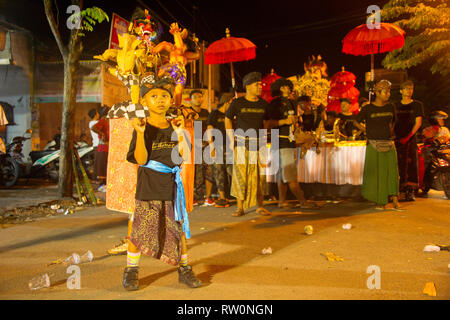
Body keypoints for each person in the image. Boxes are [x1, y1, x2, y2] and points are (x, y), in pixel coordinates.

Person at [123, 77, 201, 291]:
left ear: (170, 101)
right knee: (140, 230)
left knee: (178, 230)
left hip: (171, 186)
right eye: (154, 96)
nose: (160, 100)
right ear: (145, 101)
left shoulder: (176, 125)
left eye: (164, 96)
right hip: (148, 185)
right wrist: (140, 134)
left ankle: (184, 270)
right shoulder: (142, 126)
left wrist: (180, 134)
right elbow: (140, 160)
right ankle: (131, 271)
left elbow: (182, 157)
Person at [225, 71, 271, 217]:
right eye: (257, 85)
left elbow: (267, 122)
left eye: (260, 84)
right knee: (240, 176)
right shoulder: (237, 103)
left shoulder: (264, 104)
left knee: (260, 176)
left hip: (259, 145)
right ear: (248, 86)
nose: (260, 87)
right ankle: (240, 208)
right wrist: (231, 139)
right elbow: (227, 119)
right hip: (241, 144)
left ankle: (260, 206)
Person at [264, 77, 313, 209]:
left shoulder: (292, 103)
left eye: (288, 86)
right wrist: (285, 122)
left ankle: (282, 201)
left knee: (282, 173)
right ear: (279, 89)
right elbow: (267, 123)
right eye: (284, 86)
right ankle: (303, 201)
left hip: (287, 139)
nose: (287, 89)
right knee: (290, 174)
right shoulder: (274, 104)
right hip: (280, 139)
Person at [354, 80, 402, 210]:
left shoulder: (391, 106)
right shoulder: (367, 108)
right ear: (377, 93)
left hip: (388, 143)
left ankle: (395, 200)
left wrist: (390, 134)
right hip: (374, 144)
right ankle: (380, 201)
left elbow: (393, 122)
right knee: (377, 173)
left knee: (392, 172)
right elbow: (356, 122)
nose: (388, 94)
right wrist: (367, 131)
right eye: (385, 91)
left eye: (389, 91)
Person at [394, 80, 425, 201]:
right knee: (398, 164)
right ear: (401, 91)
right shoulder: (395, 105)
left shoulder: (417, 104)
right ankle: (398, 189)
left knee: (411, 164)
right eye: (406, 89)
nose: (409, 91)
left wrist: (408, 136)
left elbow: (418, 123)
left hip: (410, 139)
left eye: (411, 89)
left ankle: (410, 190)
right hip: (397, 138)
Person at [206, 92, 234, 207]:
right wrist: (211, 146)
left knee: (231, 171)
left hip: (229, 147)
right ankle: (222, 197)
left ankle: (233, 195)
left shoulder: (231, 115)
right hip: (217, 146)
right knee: (219, 172)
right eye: (231, 102)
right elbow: (209, 130)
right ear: (227, 102)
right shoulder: (214, 114)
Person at [188, 90, 215, 206]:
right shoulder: (188, 112)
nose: (199, 99)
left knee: (209, 171)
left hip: (206, 145)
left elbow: (210, 129)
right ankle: (196, 197)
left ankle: (208, 197)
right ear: (191, 99)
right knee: (196, 173)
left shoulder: (206, 112)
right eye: (196, 97)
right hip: (193, 146)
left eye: (200, 97)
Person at [91, 106, 110, 191]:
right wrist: (102, 133)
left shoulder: (106, 121)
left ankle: (104, 185)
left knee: (104, 165)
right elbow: (93, 127)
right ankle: (102, 185)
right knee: (102, 166)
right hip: (103, 147)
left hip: (105, 147)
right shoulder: (103, 121)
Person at [88, 108, 100, 182]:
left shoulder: (91, 123)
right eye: (97, 113)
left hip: (96, 144)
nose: (98, 114)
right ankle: (96, 178)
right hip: (97, 144)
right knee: (98, 163)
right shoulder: (94, 123)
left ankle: (96, 178)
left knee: (97, 162)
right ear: (95, 114)